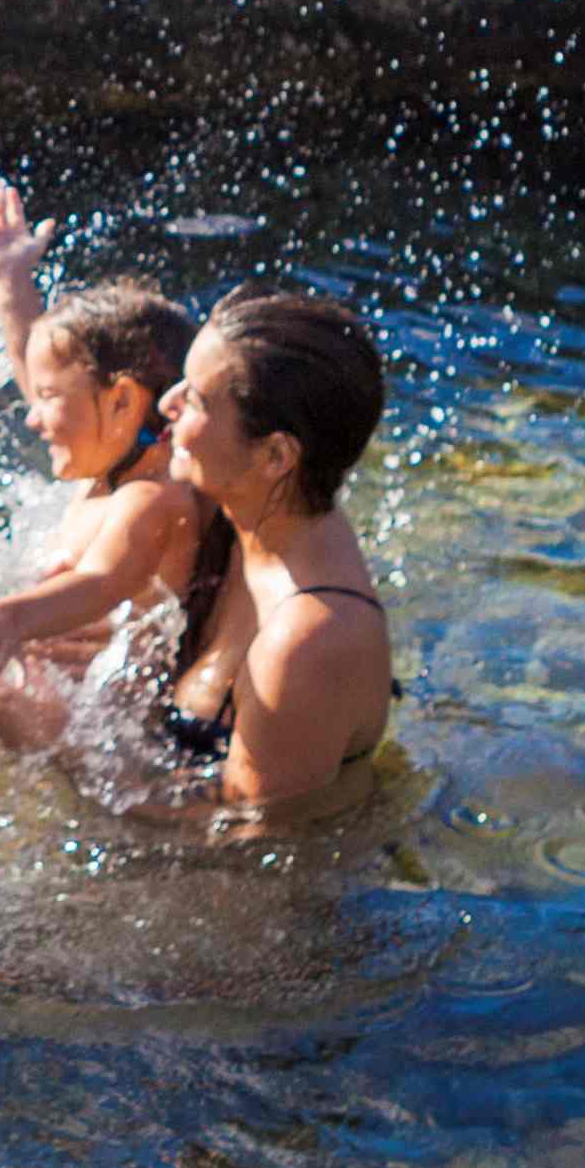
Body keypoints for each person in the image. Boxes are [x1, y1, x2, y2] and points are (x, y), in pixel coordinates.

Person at [0, 187, 208, 754]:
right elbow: (34, 361)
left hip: (121, 735)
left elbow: (101, 582)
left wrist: (13, 618)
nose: (33, 419)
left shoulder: (150, 498)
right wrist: (10, 282)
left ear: (122, 403)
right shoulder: (109, 461)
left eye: (46, 399)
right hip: (76, 694)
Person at [131, 290, 398, 814]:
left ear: (276, 455)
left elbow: (252, 853)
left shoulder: (307, 641)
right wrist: (10, 286)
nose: (167, 403)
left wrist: (56, 759)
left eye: (198, 400)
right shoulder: (243, 505)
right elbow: (84, 414)